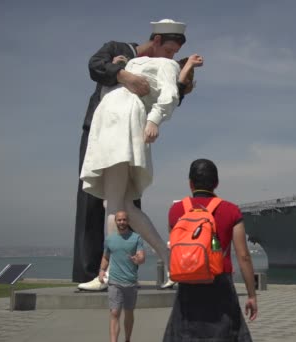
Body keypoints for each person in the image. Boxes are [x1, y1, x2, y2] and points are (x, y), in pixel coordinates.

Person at [73, 18, 194, 289]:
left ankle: (107, 275)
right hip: (104, 126)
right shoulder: (123, 52)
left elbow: (168, 96)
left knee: (114, 204)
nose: (171, 56)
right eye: (170, 49)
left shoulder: (165, 64)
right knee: (120, 204)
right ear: (158, 41)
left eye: (176, 54)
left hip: (122, 127)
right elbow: (96, 66)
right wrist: (121, 70)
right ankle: (168, 258)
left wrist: (154, 120)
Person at [163, 159, 258, 341]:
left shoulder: (176, 210)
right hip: (220, 284)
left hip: (187, 286)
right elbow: (244, 256)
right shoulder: (231, 210)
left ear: (190, 183)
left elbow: (174, 249)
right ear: (216, 183)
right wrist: (252, 295)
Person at [98, 210, 145, 342]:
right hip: (114, 282)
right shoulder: (110, 239)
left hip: (130, 282)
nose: (122, 222)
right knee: (114, 313)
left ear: (128, 221)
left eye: (124, 220)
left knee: (129, 313)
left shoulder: (136, 238)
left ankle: (128, 339)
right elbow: (106, 257)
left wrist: (138, 259)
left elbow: (141, 256)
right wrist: (102, 270)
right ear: (116, 221)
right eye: (119, 220)